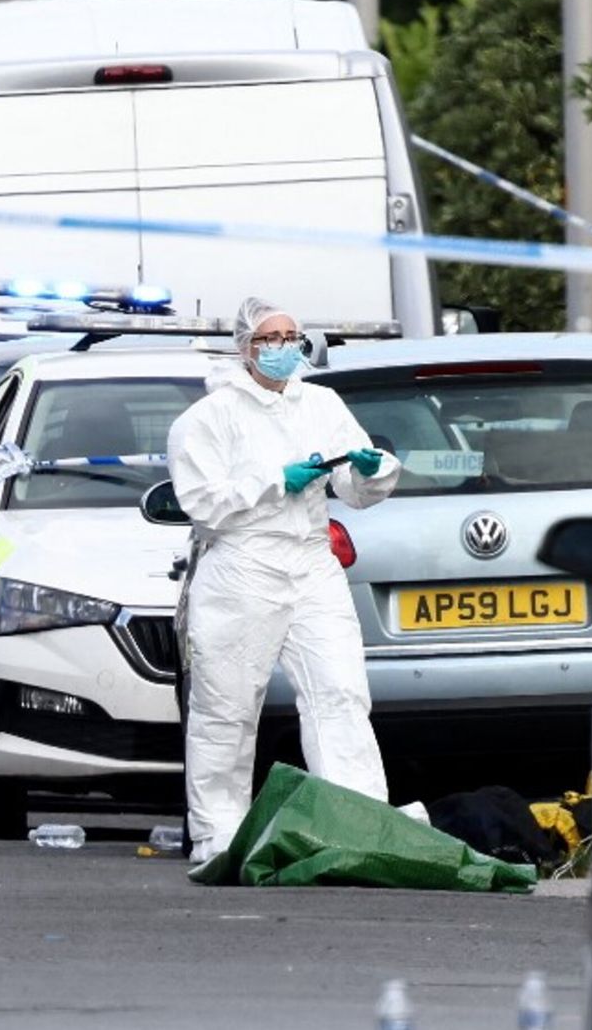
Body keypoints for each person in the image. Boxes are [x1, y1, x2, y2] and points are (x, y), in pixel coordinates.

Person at [167, 297, 401, 865]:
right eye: (270, 339)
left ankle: (358, 825)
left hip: (312, 560)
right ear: (245, 348)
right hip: (243, 565)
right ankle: (217, 836)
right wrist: (276, 482)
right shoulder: (209, 418)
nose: (282, 348)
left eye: (291, 336)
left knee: (340, 693)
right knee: (227, 705)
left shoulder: (320, 402)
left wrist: (373, 471)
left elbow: (354, 484)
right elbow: (203, 504)